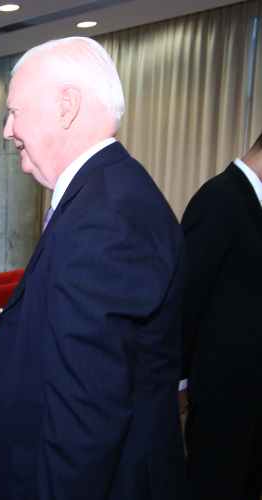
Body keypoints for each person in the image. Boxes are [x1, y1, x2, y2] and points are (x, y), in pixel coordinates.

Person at [0, 37, 187, 499]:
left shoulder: (103, 217)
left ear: (67, 107)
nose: (7, 131)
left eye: (15, 112)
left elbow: (86, 416)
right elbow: (78, 349)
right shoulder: (102, 194)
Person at [180, 132, 262, 500]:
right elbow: (185, 298)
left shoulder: (251, 202)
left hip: (249, 388)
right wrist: (179, 379)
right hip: (222, 392)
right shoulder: (220, 199)